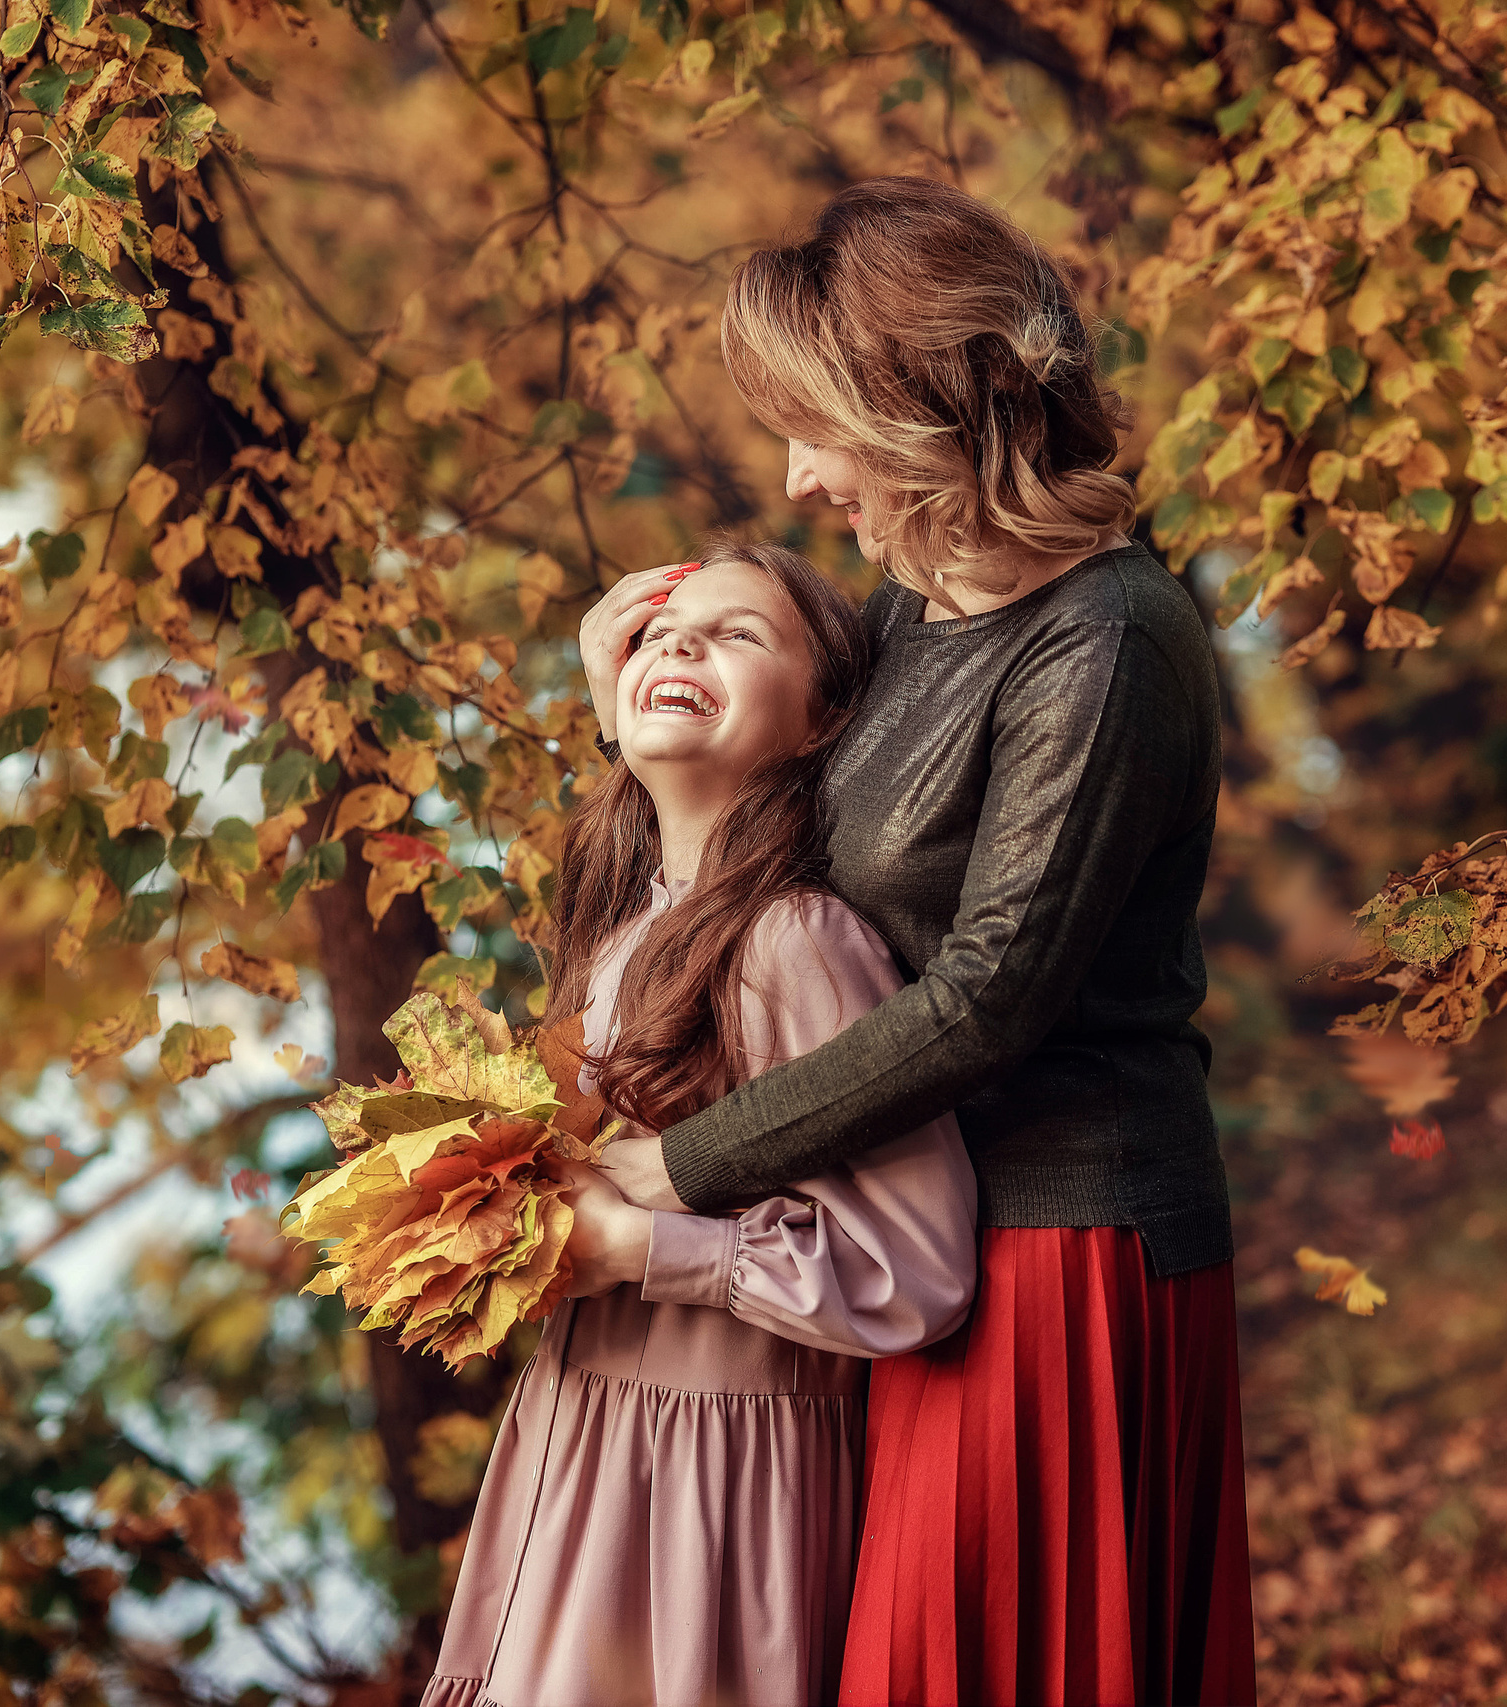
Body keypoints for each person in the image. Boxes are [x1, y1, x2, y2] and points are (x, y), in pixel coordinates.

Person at [586, 178, 1257, 1707]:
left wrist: (680, 1170)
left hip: (1059, 1248)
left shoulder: (1108, 640)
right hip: (914, 1235)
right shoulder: (914, 608)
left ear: (921, 417)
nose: (802, 475)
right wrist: (621, 709)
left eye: (821, 429)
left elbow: (988, 1000)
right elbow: (759, 834)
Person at [424, 543, 979, 1707]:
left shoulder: (793, 943)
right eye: (658, 632)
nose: (680, 643)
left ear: (824, 721)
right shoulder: (624, 929)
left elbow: (913, 1272)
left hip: (713, 1491)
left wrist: (642, 1248)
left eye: (739, 633)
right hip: (585, 1443)